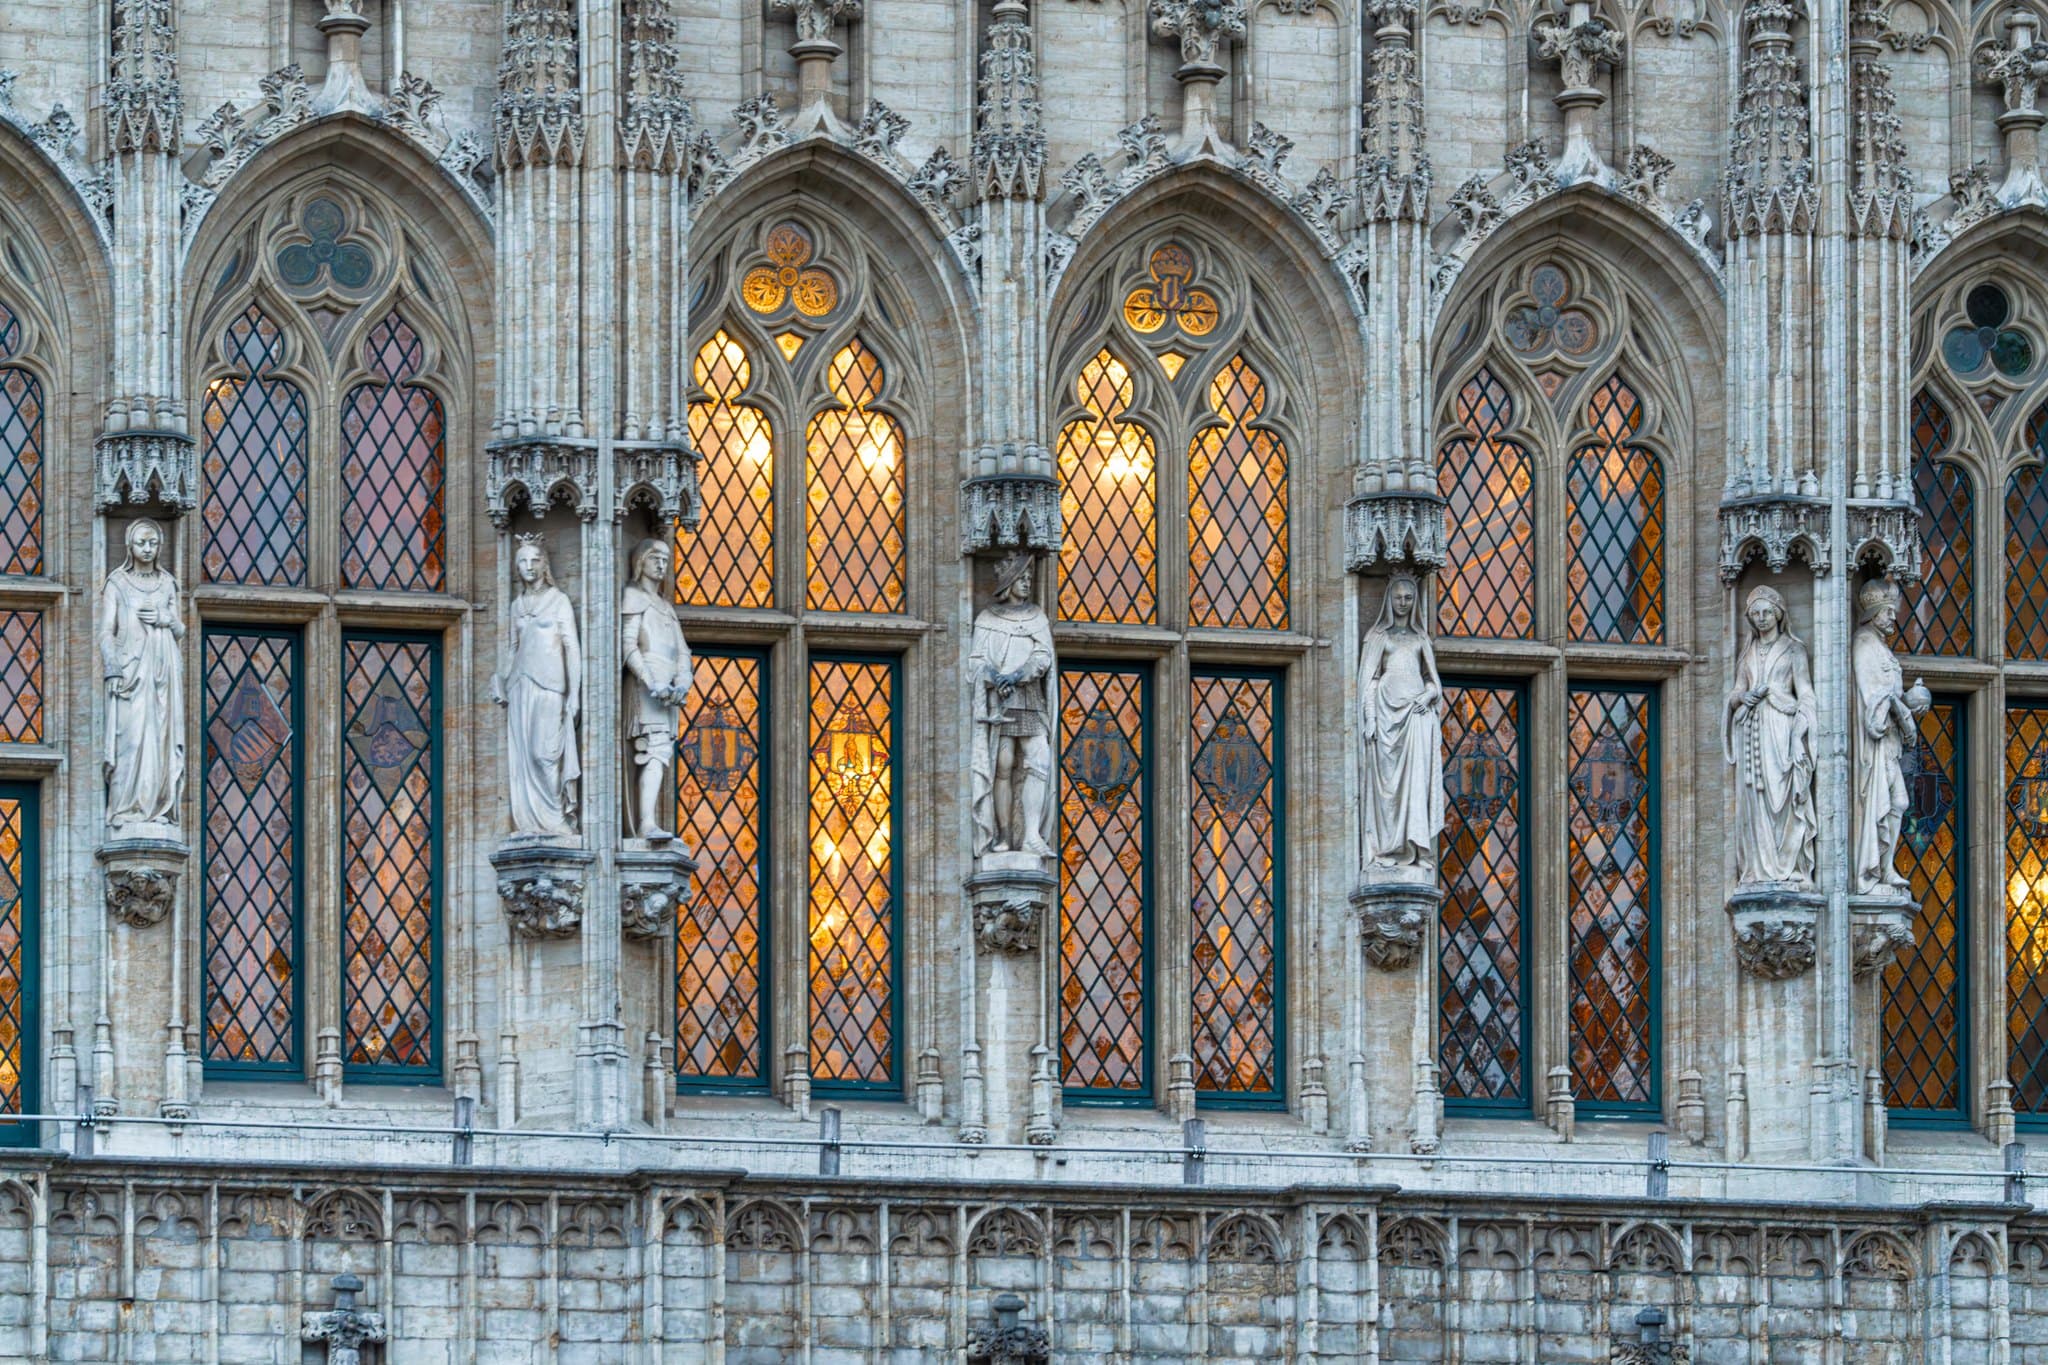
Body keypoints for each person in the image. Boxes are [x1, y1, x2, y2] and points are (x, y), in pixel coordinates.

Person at [1723, 585, 1818, 887]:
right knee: (1755, 801)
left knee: (1786, 799)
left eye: (1767, 612)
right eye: (1755, 614)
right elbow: (1736, 691)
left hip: (1782, 729)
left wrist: (1801, 730)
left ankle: (1789, 867)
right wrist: (1744, 697)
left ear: (1778, 614)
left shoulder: (1794, 650)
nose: (1762, 618)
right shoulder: (1748, 652)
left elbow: (1806, 693)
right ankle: (1759, 870)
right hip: (1752, 731)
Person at [490, 534, 581, 839]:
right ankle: (529, 822)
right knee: (525, 757)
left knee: (546, 754)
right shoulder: (517, 605)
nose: (528, 567)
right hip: (520, 686)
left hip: (550, 686)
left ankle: (554, 818)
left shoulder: (559, 601)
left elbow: (572, 648)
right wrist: (500, 679)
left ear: (545, 565)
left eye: (534, 560)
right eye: (522, 562)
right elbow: (513, 648)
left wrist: (575, 694)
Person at [101, 518, 186, 834]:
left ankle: (156, 809)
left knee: (160, 740)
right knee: (131, 739)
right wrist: (111, 666)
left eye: (153, 543)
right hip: (129, 672)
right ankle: (125, 808)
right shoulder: (118, 584)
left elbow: (180, 628)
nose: (147, 549)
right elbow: (105, 632)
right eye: (141, 543)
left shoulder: (167, 583)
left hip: (163, 674)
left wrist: (165, 618)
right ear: (129, 546)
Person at [969, 553, 1056, 859]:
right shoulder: (988, 619)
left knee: (1039, 760)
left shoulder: (1037, 618)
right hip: (1000, 700)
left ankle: (1031, 833)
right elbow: (976, 661)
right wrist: (995, 676)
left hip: (1029, 697)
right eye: (1022, 579)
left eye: (1030, 578)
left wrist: (1019, 674)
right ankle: (1004, 834)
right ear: (1008, 583)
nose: (1027, 583)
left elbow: (1044, 655)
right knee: (1002, 765)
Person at [1357, 573, 1445, 873]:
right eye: (1399, 597)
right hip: (1385, 716)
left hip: (1416, 717)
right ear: (1389, 600)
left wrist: (1428, 696)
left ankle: (1415, 847)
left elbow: (1433, 681)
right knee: (1386, 788)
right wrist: (1369, 717)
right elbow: (1369, 680)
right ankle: (1387, 848)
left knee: (1415, 783)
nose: (1404, 603)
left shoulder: (1420, 640)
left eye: (1409, 598)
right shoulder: (1380, 638)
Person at [1850, 579, 1928, 895]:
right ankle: (1872, 872)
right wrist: (1902, 709)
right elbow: (1873, 698)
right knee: (1894, 800)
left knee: (1899, 801)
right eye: (1888, 612)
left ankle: (1884, 868)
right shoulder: (1864, 643)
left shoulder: (1879, 646)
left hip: (1889, 743)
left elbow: (1889, 694)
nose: (1894, 618)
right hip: (1874, 744)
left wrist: (1912, 699)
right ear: (1873, 613)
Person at [621, 537, 695, 840]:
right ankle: (646, 822)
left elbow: (682, 652)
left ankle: (649, 821)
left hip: (668, 686)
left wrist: (682, 682)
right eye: (655, 558)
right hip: (646, 683)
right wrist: (651, 682)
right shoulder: (633, 596)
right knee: (652, 750)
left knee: (661, 752)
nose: (661, 565)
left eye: (665, 559)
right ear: (641, 561)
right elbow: (627, 645)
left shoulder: (665, 607)